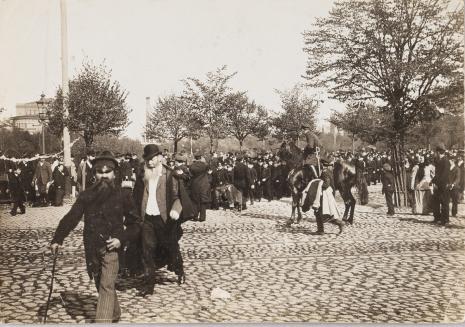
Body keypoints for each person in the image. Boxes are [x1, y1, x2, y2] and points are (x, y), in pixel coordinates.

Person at [50, 151, 141, 323]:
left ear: (114, 174)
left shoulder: (123, 195)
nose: (104, 176)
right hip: (92, 248)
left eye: (108, 172)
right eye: (100, 172)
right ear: (95, 174)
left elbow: (135, 224)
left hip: (112, 248)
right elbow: (71, 217)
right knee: (101, 284)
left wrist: (120, 238)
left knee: (107, 285)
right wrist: (57, 239)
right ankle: (114, 313)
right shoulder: (86, 196)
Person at [133, 144, 185, 296]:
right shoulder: (143, 174)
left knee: (171, 246)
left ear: (159, 157)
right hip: (147, 218)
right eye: (147, 159)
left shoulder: (169, 175)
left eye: (152, 158)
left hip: (164, 220)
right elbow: (137, 195)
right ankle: (149, 286)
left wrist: (176, 210)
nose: (149, 162)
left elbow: (178, 197)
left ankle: (180, 270)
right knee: (147, 250)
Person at [431, 143, 450, 225]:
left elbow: (444, 175)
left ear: (438, 152)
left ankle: (445, 220)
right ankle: (437, 218)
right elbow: (437, 174)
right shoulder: (439, 160)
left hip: (443, 185)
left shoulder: (445, 161)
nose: (436, 153)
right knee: (436, 202)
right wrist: (432, 181)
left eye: (436, 152)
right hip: (439, 185)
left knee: (444, 202)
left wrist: (437, 184)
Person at [189, 150, 210, 222]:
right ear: (201, 157)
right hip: (204, 184)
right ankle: (202, 217)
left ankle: (195, 216)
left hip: (195, 184)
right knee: (203, 201)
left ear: (195, 158)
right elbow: (207, 169)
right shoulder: (205, 165)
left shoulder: (192, 166)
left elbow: (191, 174)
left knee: (195, 200)